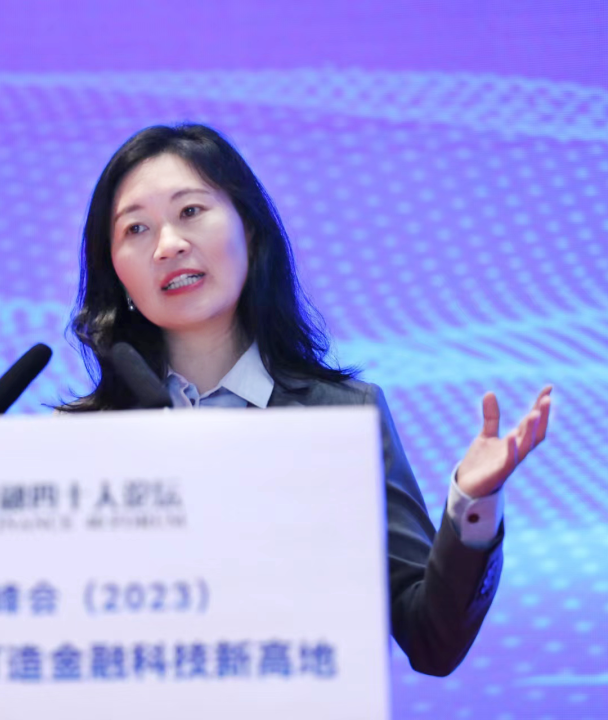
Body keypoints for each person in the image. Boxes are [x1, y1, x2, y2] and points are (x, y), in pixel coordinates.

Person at [60, 123, 552, 677]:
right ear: (116, 271)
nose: (168, 244)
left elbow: (431, 641)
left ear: (249, 230)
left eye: (191, 211)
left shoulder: (343, 417)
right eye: (136, 228)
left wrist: (472, 506)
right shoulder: (77, 441)